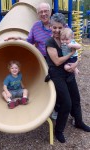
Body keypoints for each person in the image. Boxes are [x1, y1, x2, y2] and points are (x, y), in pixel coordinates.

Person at [45, 13, 90, 143]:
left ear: (63, 26)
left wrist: (75, 64)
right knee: (66, 102)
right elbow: (58, 62)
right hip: (56, 74)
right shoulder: (50, 42)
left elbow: (76, 57)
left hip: (69, 72)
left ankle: (79, 122)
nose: (57, 30)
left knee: (76, 98)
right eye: (54, 27)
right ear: (51, 27)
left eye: (60, 27)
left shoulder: (67, 38)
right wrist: (71, 53)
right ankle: (58, 130)